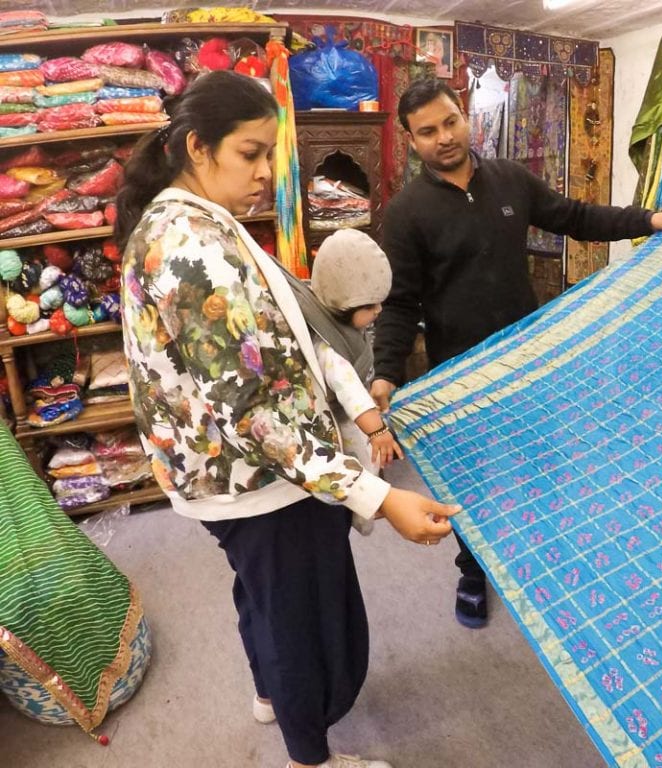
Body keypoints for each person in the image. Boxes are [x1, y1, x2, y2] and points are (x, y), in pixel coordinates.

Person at [115, 70, 459, 768]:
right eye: (251, 153)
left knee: (268, 602)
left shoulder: (194, 222)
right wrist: (379, 496)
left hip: (235, 476)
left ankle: (273, 696)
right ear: (196, 147)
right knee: (300, 623)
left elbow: (279, 344)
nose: (267, 172)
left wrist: (353, 405)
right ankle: (312, 758)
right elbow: (255, 415)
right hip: (260, 481)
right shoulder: (192, 251)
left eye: (270, 154)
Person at [370, 77, 662, 629]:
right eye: (427, 131)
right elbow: (400, 304)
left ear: (464, 115)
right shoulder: (406, 213)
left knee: (542, 463)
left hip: (530, 364)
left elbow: (575, 217)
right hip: (460, 374)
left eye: (450, 122)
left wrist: (648, 221)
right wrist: (385, 375)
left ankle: (543, 557)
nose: (444, 137)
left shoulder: (510, 179)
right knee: (472, 479)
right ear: (410, 139)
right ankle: (473, 570)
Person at [309, 228, 404, 535]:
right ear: (341, 304)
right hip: (342, 426)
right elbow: (349, 390)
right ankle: (366, 511)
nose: (378, 312)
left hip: (353, 415)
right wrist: (377, 431)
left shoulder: (340, 324)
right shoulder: (328, 346)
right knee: (362, 466)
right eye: (368, 307)